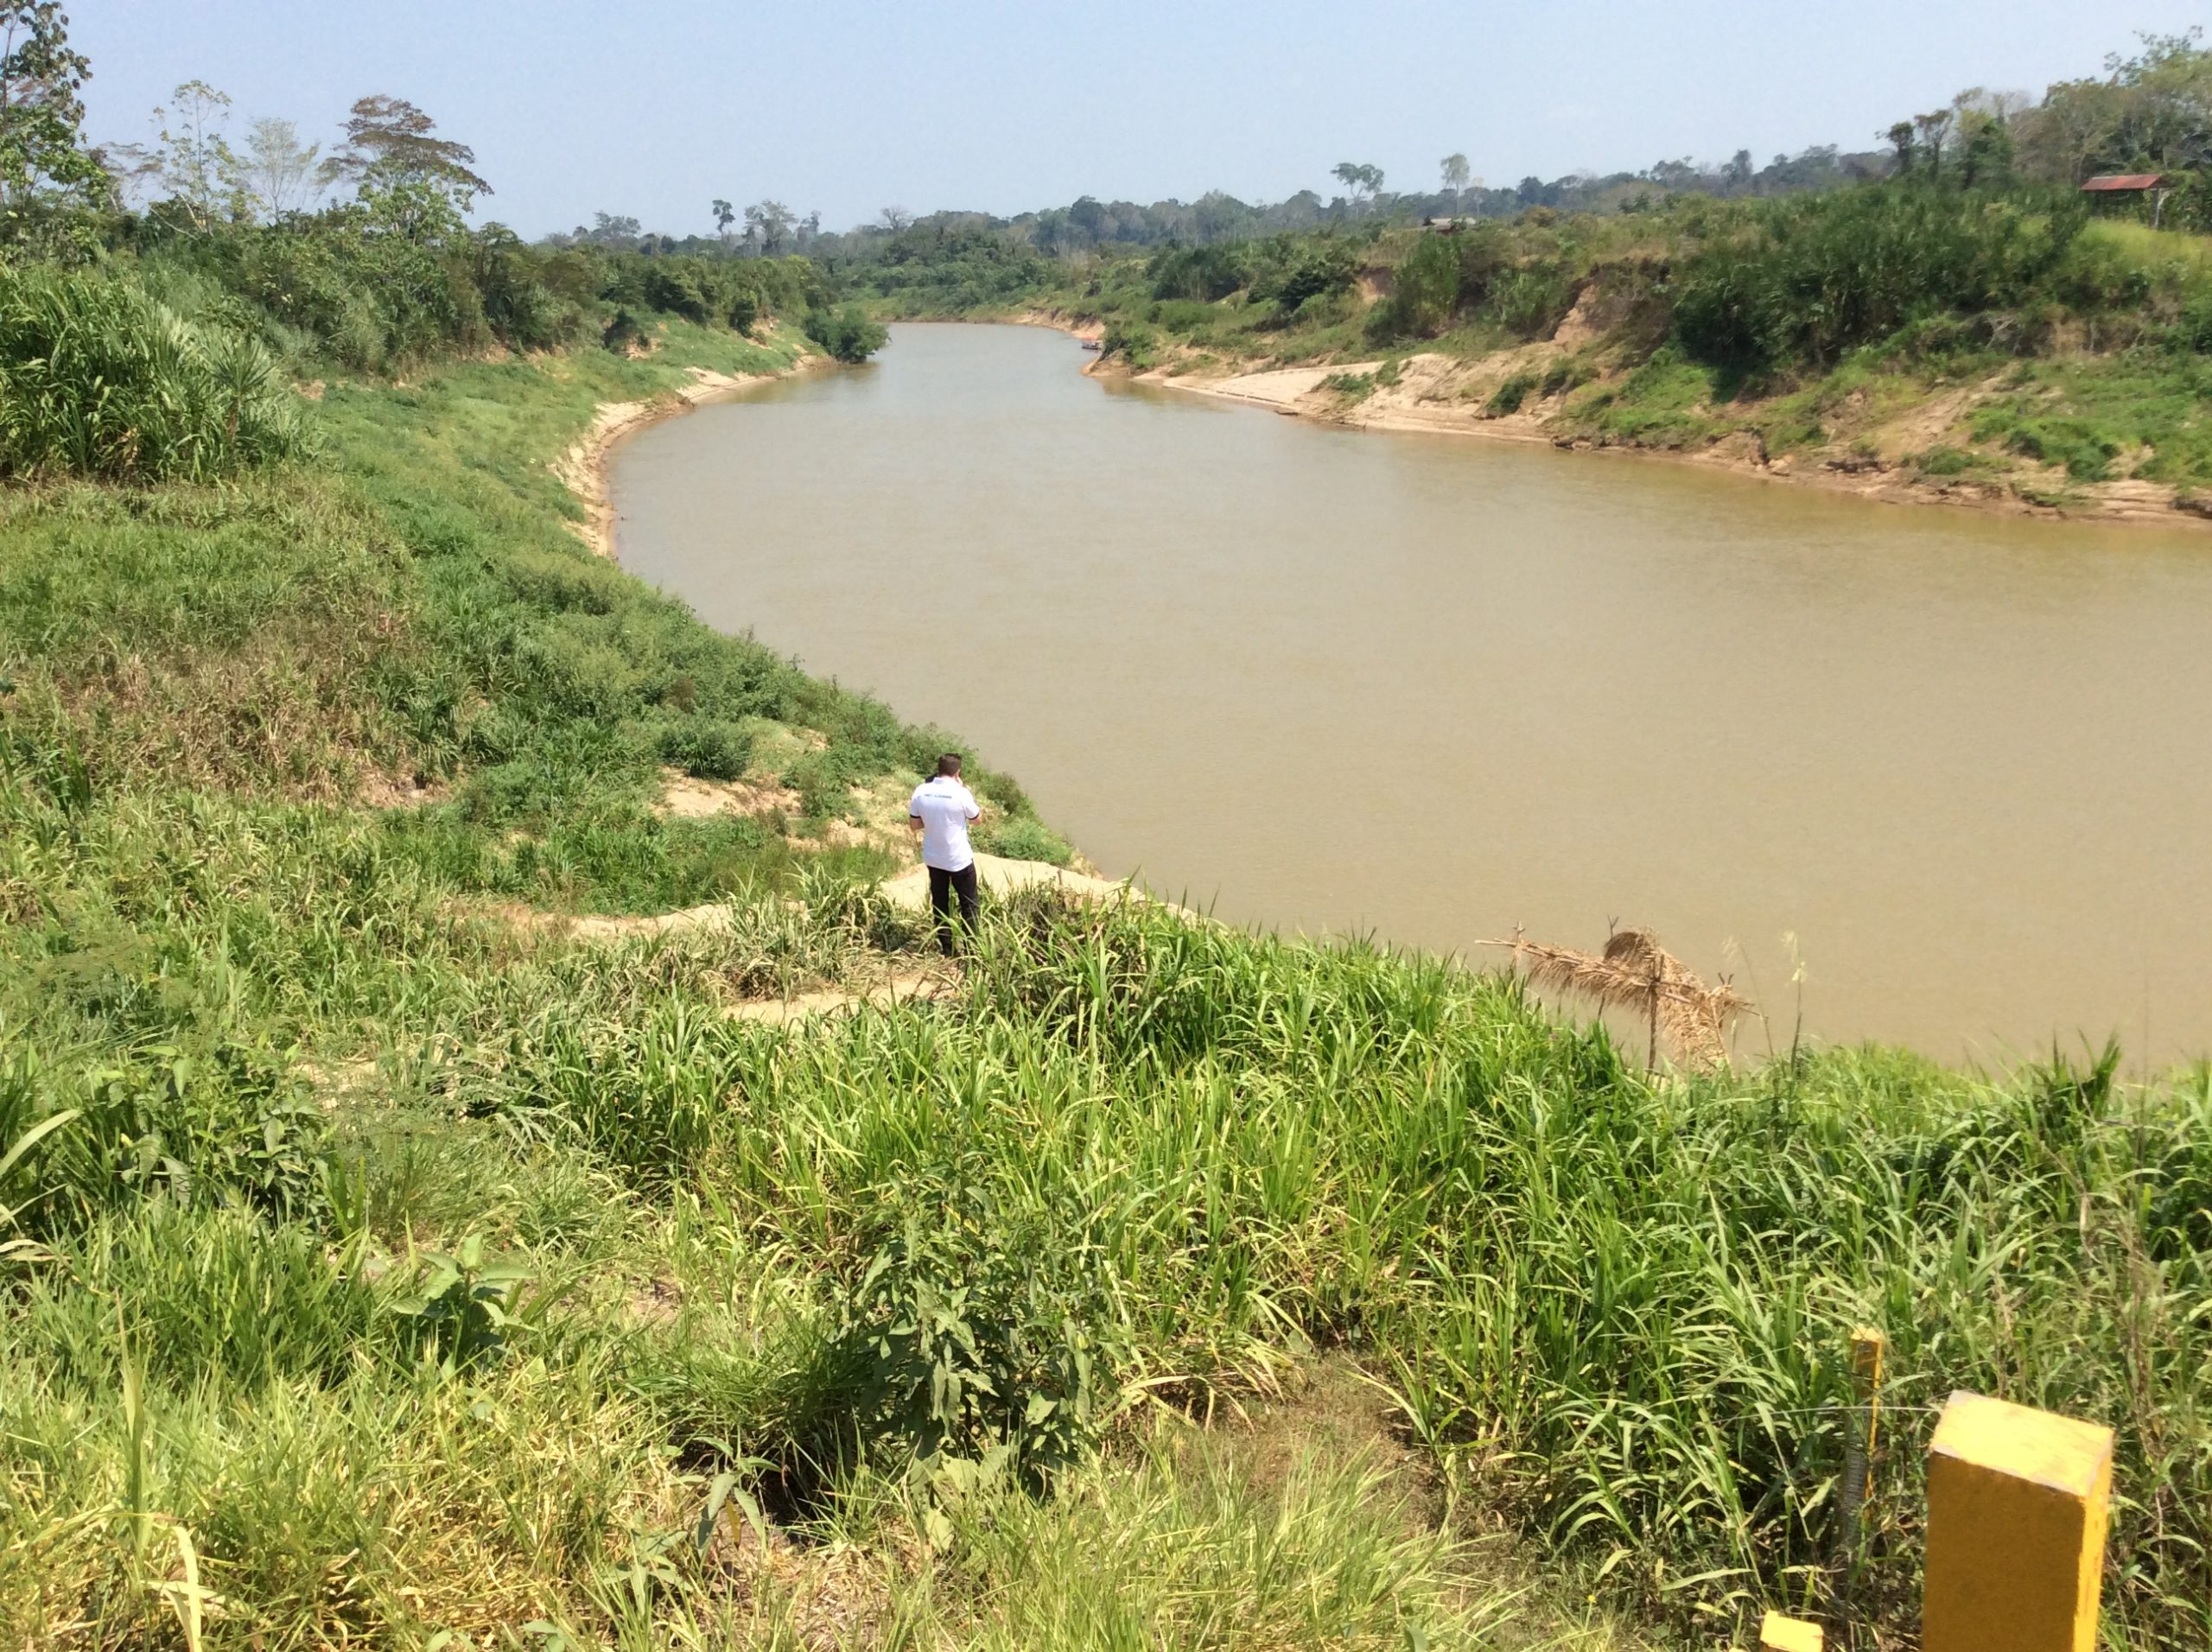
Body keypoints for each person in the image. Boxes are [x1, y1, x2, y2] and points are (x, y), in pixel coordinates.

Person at [908, 753, 982, 955]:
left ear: (938, 770)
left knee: (940, 904)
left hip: (934, 858)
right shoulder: (961, 793)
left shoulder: (921, 791)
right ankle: (971, 952)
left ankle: (947, 950)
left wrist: (932, 821)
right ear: (957, 772)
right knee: (969, 905)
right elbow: (977, 819)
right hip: (959, 860)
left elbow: (914, 825)